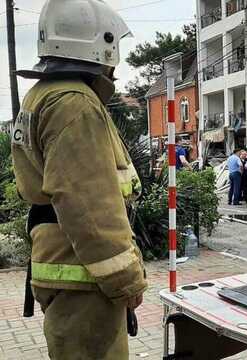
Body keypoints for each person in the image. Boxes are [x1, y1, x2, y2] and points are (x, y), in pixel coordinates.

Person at [10, 1, 146, 358]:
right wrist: (126, 280)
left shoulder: (43, 95)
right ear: (99, 44)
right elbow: (89, 206)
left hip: (66, 269)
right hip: (86, 278)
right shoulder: (75, 104)